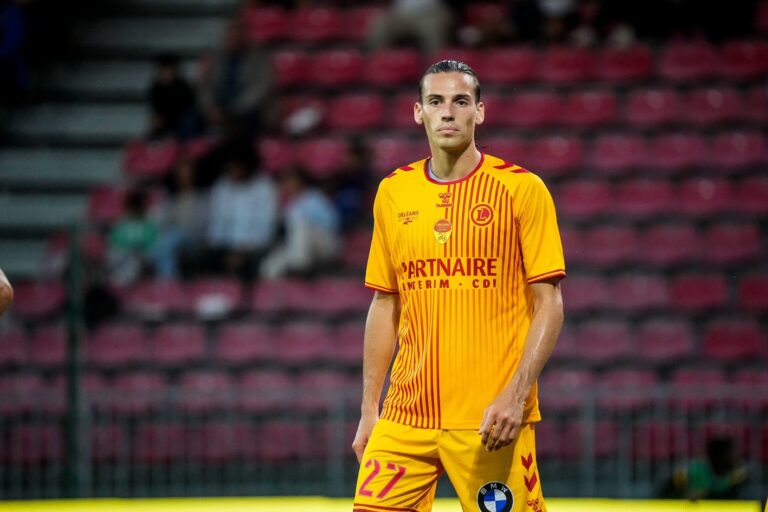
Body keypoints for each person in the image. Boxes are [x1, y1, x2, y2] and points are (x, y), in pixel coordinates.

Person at [351, 60, 565, 512]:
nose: (447, 112)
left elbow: (549, 304)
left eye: (460, 101)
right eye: (436, 101)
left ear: (479, 112)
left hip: (491, 420)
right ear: (418, 112)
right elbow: (385, 302)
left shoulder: (522, 189)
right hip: (405, 418)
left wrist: (516, 396)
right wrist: (370, 408)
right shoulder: (393, 191)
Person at [206, 149, 278, 280]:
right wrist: (226, 250)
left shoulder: (264, 186)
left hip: (255, 247)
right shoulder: (221, 186)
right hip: (226, 247)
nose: (234, 172)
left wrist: (243, 251)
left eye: (237, 168)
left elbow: (266, 227)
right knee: (206, 258)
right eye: (230, 168)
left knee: (257, 263)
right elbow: (216, 225)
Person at [260, 168, 341, 280]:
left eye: (292, 182)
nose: (289, 186)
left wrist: (310, 226)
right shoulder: (289, 205)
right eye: (286, 182)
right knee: (270, 266)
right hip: (299, 248)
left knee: (301, 225)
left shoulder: (315, 198)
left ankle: (300, 265)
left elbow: (332, 225)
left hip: (326, 244)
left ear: (302, 182)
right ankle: (282, 288)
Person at [660, 436, 748, 500]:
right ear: (719, 455)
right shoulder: (690, 472)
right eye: (732, 452)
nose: (738, 456)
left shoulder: (738, 476)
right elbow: (665, 493)